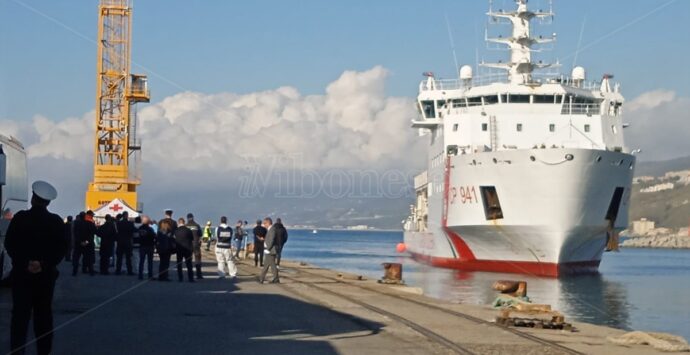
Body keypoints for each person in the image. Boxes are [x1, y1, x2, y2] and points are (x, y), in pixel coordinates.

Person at [4, 181, 66, 355]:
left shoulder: (20, 218)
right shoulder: (55, 222)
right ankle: (43, 351)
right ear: (48, 202)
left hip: (21, 275)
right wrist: (43, 264)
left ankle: (17, 351)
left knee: (19, 317)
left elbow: (10, 243)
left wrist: (25, 263)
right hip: (45, 277)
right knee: (44, 316)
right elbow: (61, 248)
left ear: (33, 198)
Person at [72, 211, 96, 276]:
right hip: (87, 243)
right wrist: (86, 242)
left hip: (78, 243)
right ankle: (91, 271)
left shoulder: (76, 223)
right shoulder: (90, 223)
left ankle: (75, 271)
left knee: (76, 258)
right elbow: (91, 234)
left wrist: (79, 242)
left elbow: (75, 233)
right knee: (88, 258)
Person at [156, 210, 177, 281]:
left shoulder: (160, 222)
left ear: (165, 214)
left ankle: (161, 275)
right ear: (171, 214)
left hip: (160, 245)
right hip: (168, 245)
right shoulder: (174, 223)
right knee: (166, 262)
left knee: (162, 261)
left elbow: (157, 234)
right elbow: (175, 234)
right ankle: (165, 275)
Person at [259, 217, 279, 284]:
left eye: (265, 223)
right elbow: (269, 239)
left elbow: (272, 240)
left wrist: (268, 249)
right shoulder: (269, 229)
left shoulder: (272, 229)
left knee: (269, 265)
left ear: (268, 223)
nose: (264, 225)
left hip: (271, 250)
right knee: (269, 265)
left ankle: (262, 278)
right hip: (269, 250)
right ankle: (275, 278)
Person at [174, 218, 195, 282]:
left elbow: (174, 239)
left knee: (179, 264)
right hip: (188, 249)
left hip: (179, 249)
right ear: (184, 222)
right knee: (189, 264)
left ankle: (180, 278)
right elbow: (192, 239)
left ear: (178, 223)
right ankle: (190, 278)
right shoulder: (188, 230)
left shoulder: (176, 231)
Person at [115, 211, 136, 275]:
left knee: (119, 258)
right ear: (127, 215)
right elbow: (133, 231)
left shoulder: (118, 223)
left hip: (120, 241)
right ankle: (129, 271)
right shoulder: (130, 223)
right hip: (127, 242)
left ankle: (118, 270)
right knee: (128, 258)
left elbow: (116, 232)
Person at [137, 216, 156, 280]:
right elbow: (154, 236)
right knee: (150, 262)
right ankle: (150, 275)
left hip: (142, 246)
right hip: (149, 246)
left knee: (141, 261)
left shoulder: (139, 228)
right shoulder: (150, 229)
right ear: (148, 222)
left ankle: (140, 275)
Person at [185, 213, 203, 279]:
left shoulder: (186, 226)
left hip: (188, 245)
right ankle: (199, 275)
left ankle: (190, 274)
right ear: (193, 217)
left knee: (189, 260)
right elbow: (200, 235)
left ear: (187, 218)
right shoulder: (197, 225)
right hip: (196, 244)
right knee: (197, 259)